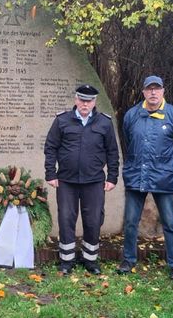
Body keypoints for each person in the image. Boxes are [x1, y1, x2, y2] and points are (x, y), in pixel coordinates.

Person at [117, 75, 173, 282]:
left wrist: (168, 164)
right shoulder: (132, 115)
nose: (153, 93)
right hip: (136, 175)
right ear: (143, 92)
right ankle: (128, 260)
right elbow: (129, 140)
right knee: (131, 221)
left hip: (163, 178)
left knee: (169, 222)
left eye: (157, 89)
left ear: (163, 91)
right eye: (149, 89)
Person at [44, 84, 120, 275]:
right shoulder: (62, 120)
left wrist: (112, 177)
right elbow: (51, 147)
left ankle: (90, 260)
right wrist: (50, 173)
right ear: (76, 100)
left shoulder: (104, 122)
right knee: (66, 218)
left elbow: (112, 152)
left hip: (94, 181)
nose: (85, 104)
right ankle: (66, 261)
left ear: (94, 102)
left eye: (89, 101)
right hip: (66, 181)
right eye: (82, 100)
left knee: (93, 220)